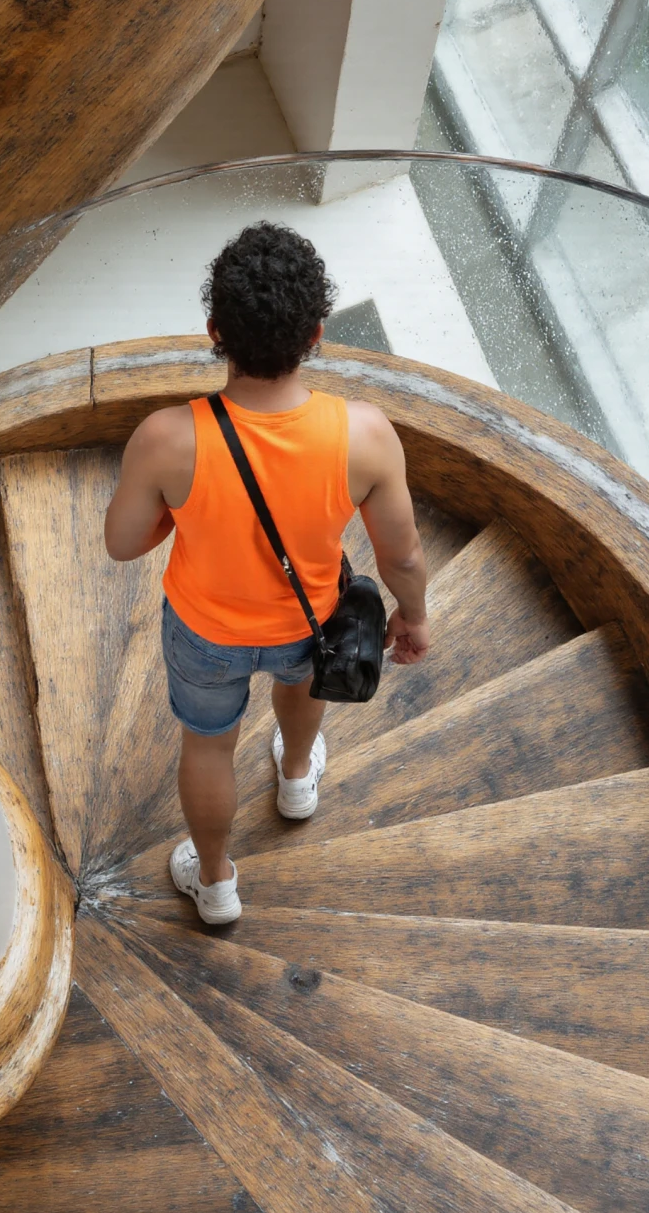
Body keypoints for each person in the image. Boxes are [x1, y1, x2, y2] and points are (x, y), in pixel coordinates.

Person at [103, 222, 430, 924]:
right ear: (316, 334)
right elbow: (402, 554)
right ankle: (295, 777)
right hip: (306, 620)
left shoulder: (168, 436)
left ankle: (216, 882)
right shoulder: (365, 435)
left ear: (215, 329)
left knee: (209, 745)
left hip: (203, 630)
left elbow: (122, 542)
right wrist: (414, 614)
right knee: (300, 684)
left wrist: (179, 511)